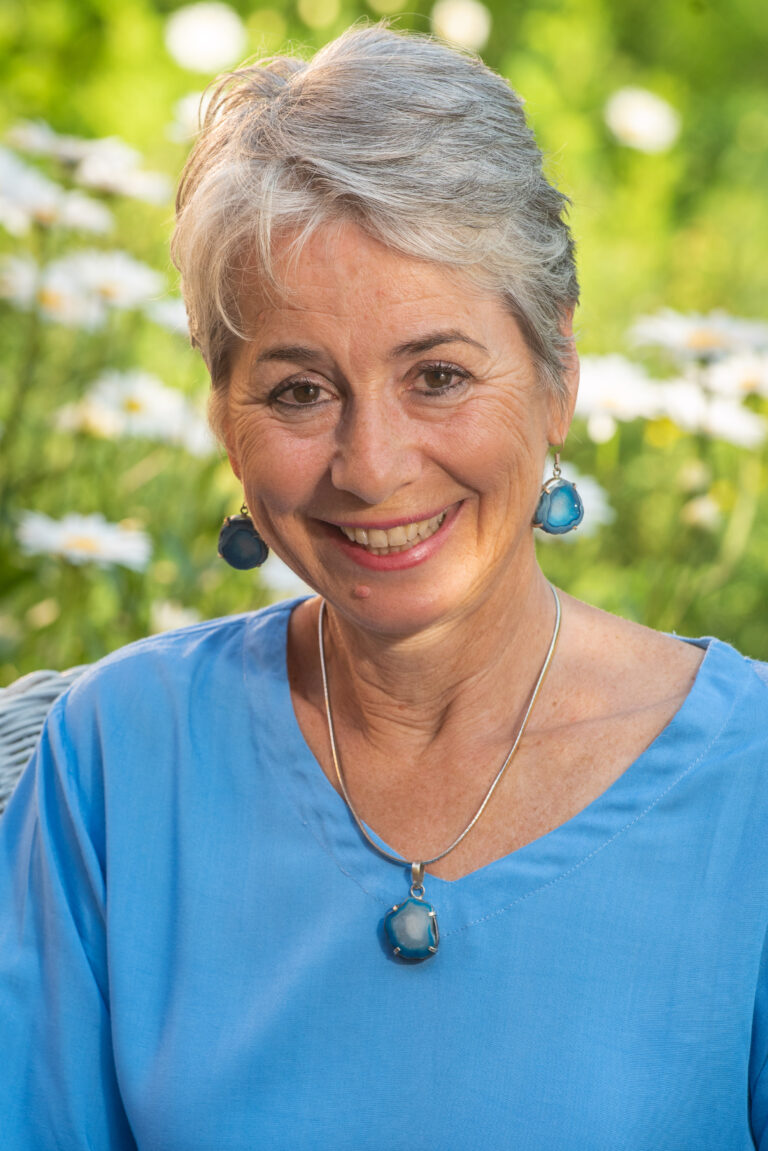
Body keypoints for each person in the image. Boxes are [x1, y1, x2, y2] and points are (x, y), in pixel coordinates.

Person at [2, 23, 768, 1150]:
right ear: (222, 415)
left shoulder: (748, 793)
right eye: (300, 389)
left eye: (440, 374)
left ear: (558, 376)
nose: (372, 465)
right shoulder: (114, 757)